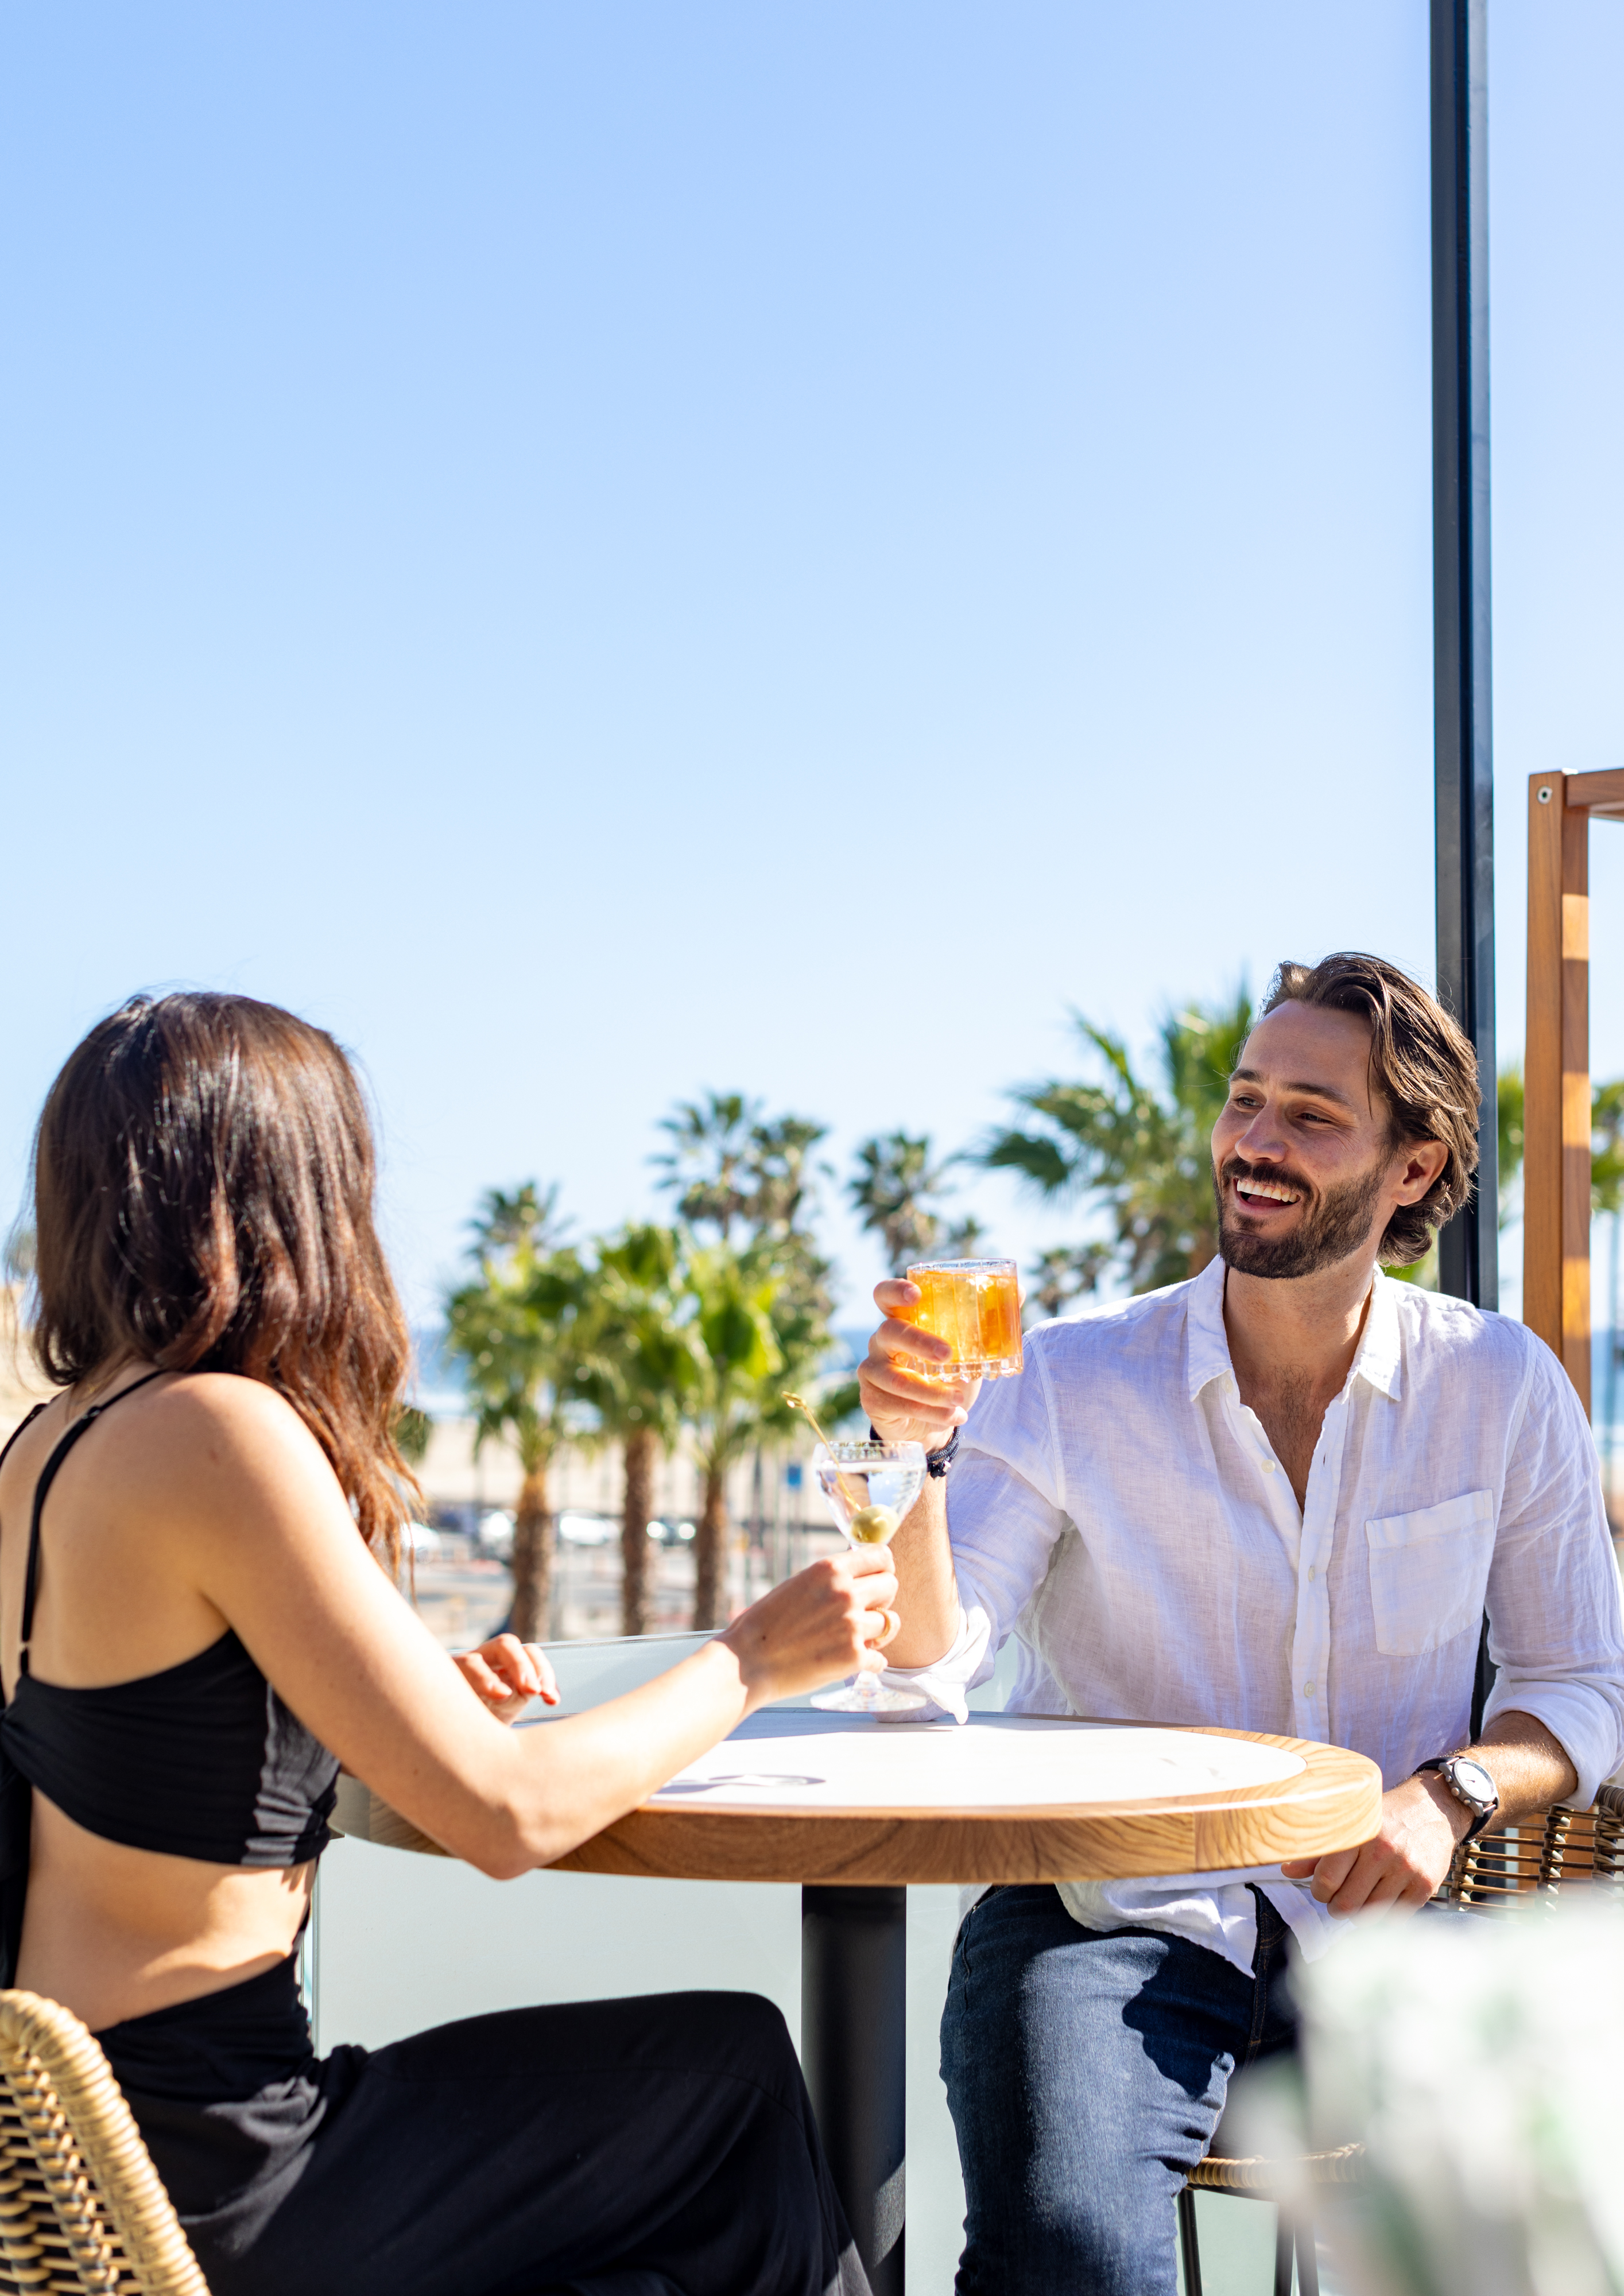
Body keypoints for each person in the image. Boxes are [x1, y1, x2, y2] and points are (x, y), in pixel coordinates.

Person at [0, 991, 892, 2296]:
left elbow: (133, 1774)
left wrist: (347, 1715)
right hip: (221, 2163)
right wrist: (754, 1657)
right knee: (733, 2079)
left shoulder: (49, 1443)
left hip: (75, 2151)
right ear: (287, 1194)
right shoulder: (222, 1434)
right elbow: (505, 1814)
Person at [859, 951, 1624, 2296]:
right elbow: (930, 1665)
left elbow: (1581, 1688)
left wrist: (1448, 1794)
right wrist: (913, 1459)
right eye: (1243, 1100)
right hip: (1098, 1921)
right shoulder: (1070, 1378)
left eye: (1311, 1116)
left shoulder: (1497, 1387)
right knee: (1075, 2263)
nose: (1255, 1143)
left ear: (1409, 1167)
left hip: (1388, 1935)